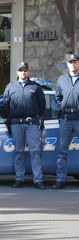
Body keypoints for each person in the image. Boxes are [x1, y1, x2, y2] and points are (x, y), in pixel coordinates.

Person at [2, 62, 46, 189]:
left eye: (25, 70)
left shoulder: (36, 87)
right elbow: (5, 106)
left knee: (35, 152)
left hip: (32, 123)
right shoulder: (10, 87)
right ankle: (19, 179)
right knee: (19, 152)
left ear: (28, 71)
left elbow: (42, 106)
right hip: (16, 124)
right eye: (20, 70)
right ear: (17, 72)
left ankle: (38, 180)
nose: (23, 72)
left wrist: (35, 117)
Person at [53, 54, 79, 189]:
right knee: (62, 151)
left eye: (75, 61)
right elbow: (57, 97)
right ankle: (60, 179)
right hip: (66, 119)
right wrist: (63, 106)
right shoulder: (62, 80)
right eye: (70, 62)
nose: (73, 64)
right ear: (67, 64)